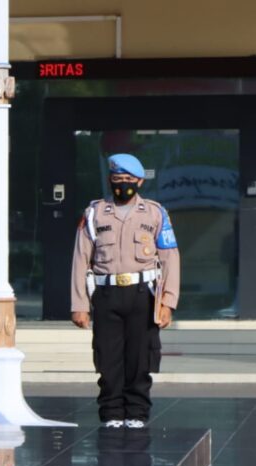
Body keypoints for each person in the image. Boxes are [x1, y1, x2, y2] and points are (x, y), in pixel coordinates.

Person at [70, 153, 180, 429]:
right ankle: (111, 414)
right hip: (106, 294)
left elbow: (170, 258)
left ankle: (137, 414)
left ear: (140, 182)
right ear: (110, 180)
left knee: (139, 357)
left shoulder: (155, 213)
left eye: (129, 180)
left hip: (143, 294)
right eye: (117, 179)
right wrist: (79, 305)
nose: (122, 185)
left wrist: (168, 301)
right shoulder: (94, 212)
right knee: (108, 358)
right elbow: (80, 259)